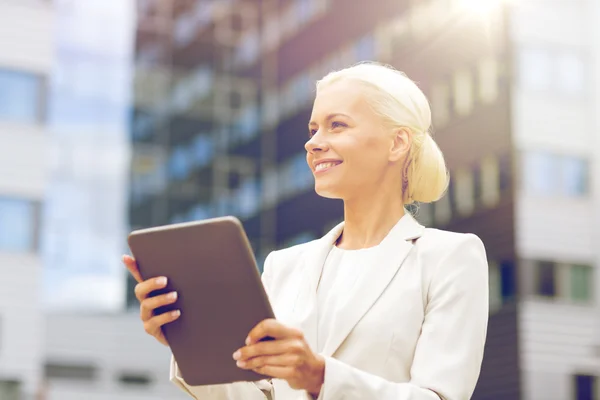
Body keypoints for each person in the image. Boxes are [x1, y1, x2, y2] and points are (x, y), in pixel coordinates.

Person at [123, 62, 489, 400]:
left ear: (397, 143)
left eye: (337, 125)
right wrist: (188, 340)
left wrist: (320, 376)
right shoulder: (285, 266)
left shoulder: (449, 258)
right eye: (314, 129)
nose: (312, 143)